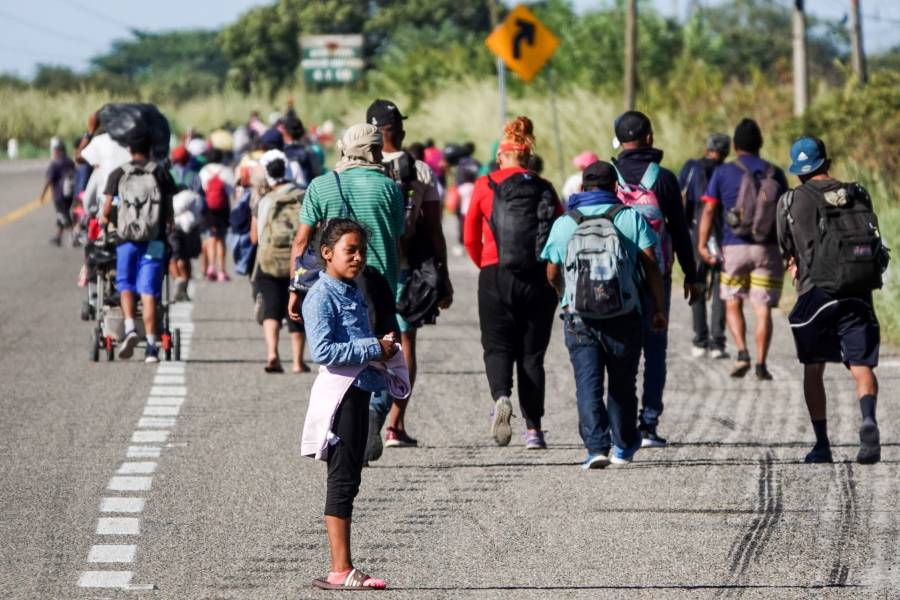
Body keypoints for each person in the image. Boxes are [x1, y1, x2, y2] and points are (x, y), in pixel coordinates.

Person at [300, 219, 405, 591]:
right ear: (326, 254)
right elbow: (324, 351)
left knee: (352, 477)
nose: (358, 257)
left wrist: (384, 351)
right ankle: (340, 569)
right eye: (351, 250)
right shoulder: (321, 295)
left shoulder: (350, 289)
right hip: (339, 395)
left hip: (360, 390)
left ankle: (343, 566)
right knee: (342, 477)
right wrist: (375, 347)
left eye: (361, 250)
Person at [543, 161, 667, 467]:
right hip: (624, 313)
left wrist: (564, 296)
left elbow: (551, 271)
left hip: (579, 317)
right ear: (615, 188)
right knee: (623, 384)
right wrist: (658, 308)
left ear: (583, 188)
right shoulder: (629, 218)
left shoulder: (565, 223)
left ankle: (596, 448)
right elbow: (652, 264)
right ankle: (624, 445)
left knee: (588, 383)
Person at [777, 137, 887, 464]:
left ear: (799, 172)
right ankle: (867, 419)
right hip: (857, 291)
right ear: (827, 161)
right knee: (861, 365)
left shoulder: (792, 201)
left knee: (814, 369)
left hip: (815, 294)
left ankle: (822, 444)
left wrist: (794, 262)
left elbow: (786, 248)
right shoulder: (857, 193)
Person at [464, 116, 562, 450]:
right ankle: (534, 430)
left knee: (497, 346)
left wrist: (487, 267)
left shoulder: (484, 184)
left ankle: (501, 397)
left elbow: (468, 237)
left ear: (503, 154)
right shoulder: (544, 186)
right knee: (532, 356)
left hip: (495, 273)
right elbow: (558, 235)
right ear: (527, 155)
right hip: (536, 278)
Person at [366, 98, 454, 456]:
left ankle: (368, 410)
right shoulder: (417, 170)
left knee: (368, 342)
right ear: (398, 130)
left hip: (365, 268)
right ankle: (395, 423)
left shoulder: (355, 167)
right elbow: (433, 229)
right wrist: (443, 276)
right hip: (406, 270)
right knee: (405, 344)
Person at [612, 110, 702, 448]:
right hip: (656, 277)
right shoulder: (662, 178)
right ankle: (648, 424)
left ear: (620, 142)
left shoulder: (609, 175)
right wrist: (691, 277)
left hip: (614, 279)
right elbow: (679, 231)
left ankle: (619, 424)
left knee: (620, 352)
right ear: (649, 137)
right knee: (655, 351)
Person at [288, 123, 405, 345]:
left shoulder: (320, 185)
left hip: (333, 289)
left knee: (338, 356)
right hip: (380, 288)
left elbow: (301, 242)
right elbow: (398, 242)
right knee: (384, 358)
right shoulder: (390, 188)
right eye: (378, 149)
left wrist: (295, 288)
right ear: (370, 151)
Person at [697, 118, 788, 380]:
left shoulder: (723, 172)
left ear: (735, 145)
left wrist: (702, 243)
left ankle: (742, 353)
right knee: (762, 309)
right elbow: (785, 212)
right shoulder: (776, 173)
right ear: (760, 144)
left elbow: (709, 209)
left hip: (733, 248)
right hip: (767, 249)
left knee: (732, 302)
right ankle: (761, 363)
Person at [101, 128, 176, 363]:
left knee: (126, 285)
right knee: (150, 292)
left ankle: (131, 328)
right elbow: (169, 215)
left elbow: (105, 212)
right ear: (150, 150)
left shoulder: (117, 174)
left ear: (130, 150)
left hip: (126, 241)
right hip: (154, 242)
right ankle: (152, 347)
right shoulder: (161, 173)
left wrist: (109, 222)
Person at [250, 150, 309, 374]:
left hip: (269, 261)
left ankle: (272, 353)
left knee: (271, 308)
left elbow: (254, 237)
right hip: (298, 260)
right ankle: (297, 361)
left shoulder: (264, 200)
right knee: (297, 310)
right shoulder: (302, 195)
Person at [679, 133, 731, 359]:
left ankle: (700, 340)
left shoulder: (691, 167)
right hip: (723, 236)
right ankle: (718, 343)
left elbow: (682, 200)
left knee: (697, 285)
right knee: (721, 289)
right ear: (727, 152)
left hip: (694, 233)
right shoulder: (729, 172)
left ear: (706, 147)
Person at [198, 148, 234, 282]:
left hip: (208, 208)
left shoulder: (204, 171)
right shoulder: (226, 171)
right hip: (223, 208)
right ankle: (222, 271)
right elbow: (231, 191)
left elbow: (200, 189)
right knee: (221, 238)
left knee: (211, 237)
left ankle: (211, 267)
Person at [41, 141, 76, 247]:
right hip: (69, 194)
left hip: (59, 194)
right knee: (63, 214)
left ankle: (74, 236)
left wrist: (42, 194)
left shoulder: (55, 163)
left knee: (63, 215)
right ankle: (58, 237)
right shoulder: (70, 161)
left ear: (57, 151)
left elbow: (48, 179)